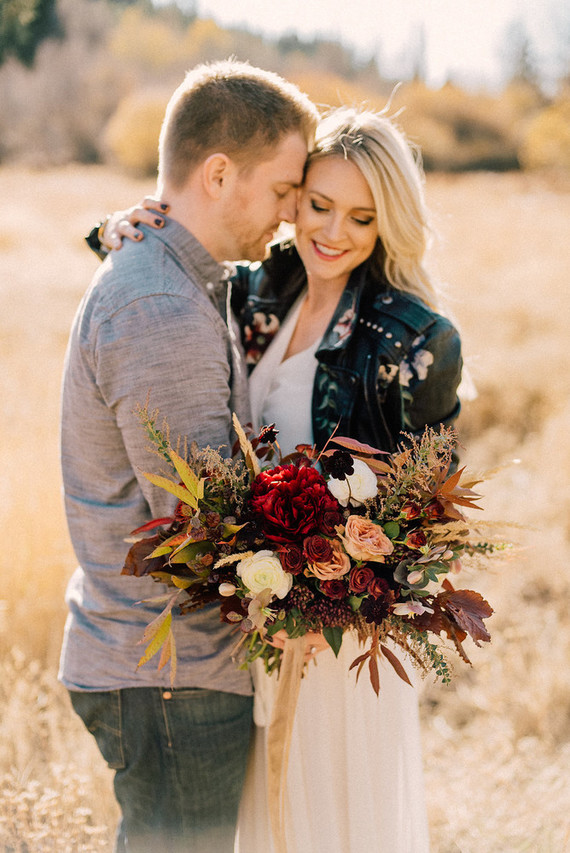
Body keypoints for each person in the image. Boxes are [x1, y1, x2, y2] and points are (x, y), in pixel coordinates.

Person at [94, 106, 463, 852]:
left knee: (335, 823)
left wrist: (331, 574)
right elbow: (167, 275)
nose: (333, 233)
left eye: (362, 217)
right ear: (293, 197)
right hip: (256, 626)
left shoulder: (414, 338)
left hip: (339, 636)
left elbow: (434, 520)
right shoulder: (267, 287)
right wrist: (123, 227)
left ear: (388, 220)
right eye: (318, 206)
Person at [60, 59, 318, 853]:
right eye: (282, 190)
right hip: (169, 671)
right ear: (217, 173)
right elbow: (204, 532)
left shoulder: (180, 279)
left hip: (166, 665)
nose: (288, 216)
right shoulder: (161, 305)